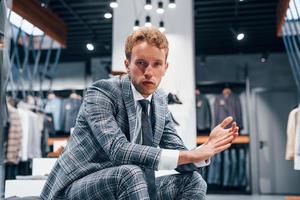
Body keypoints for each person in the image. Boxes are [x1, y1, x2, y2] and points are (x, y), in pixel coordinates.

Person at [40, 27, 239, 200]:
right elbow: (118, 150)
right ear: (127, 65)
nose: (149, 72)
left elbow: (177, 151)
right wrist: (192, 153)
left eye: (157, 64)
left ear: (165, 68)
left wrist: (207, 148)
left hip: (128, 184)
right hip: (74, 188)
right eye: (141, 63)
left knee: (194, 182)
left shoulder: (159, 101)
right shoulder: (101, 92)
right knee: (131, 174)